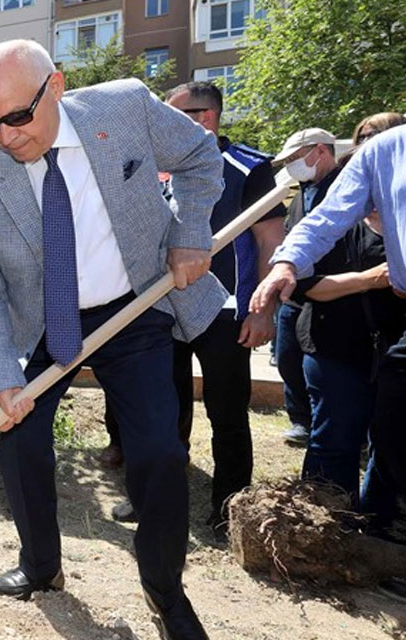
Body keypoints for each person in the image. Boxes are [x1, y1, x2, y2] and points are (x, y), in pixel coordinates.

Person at [0, 40, 224, 639]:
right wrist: (1, 379)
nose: (4, 137)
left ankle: (164, 590)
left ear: (56, 86)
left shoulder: (123, 108)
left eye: (17, 118)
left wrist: (190, 230)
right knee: (20, 445)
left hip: (135, 309)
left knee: (158, 453)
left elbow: (202, 156)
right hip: (46, 326)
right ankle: (40, 566)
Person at [109, 81, 286, 535]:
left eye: (172, 116)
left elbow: (269, 241)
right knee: (161, 413)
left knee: (227, 414)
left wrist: (261, 308)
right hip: (160, 309)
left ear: (204, 117)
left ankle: (228, 509)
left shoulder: (249, 168)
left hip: (224, 313)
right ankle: (154, 497)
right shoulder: (154, 170)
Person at [253, 123, 406, 607]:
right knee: (370, 433)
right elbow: (320, 231)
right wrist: (286, 263)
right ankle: (348, 535)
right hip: (338, 343)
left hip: (382, 341)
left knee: (388, 431)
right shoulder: (382, 156)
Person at [272, 128, 341, 446]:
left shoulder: (344, 188)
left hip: (331, 291)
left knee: (325, 366)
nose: (292, 166)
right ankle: (300, 419)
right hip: (294, 291)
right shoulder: (301, 193)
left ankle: (330, 423)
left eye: (296, 157)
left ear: (320, 151)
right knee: (288, 357)